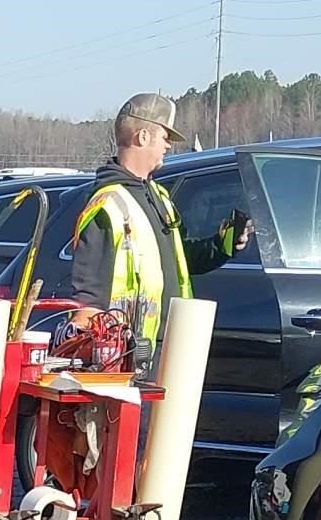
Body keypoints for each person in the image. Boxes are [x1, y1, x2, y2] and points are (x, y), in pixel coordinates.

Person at [60, 92, 250, 375]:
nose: (169, 146)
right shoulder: (108, 205)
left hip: (167, 347)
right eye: (165, 136)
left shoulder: (158, 196)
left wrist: (223, 245)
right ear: (143, 137)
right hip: (126, 357)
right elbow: (89, 298)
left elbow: (183, 258)